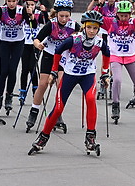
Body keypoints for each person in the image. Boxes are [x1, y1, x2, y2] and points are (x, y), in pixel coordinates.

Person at [28, 10, 110, 155]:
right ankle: (43, 137)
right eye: (89, 27)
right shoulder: (73, 39)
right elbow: (58, 51)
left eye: (95, 28)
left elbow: (107, 54)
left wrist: (104, 74)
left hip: (87, 75)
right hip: (70, 75)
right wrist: (54, 71)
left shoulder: (99, 41)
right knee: (59, 108)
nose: (92, 31)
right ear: (84, 26)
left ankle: (90, 138)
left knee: (91, 99)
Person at [25, 0, 81, 132]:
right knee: (43, 84)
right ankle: (34, 111)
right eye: (61, 16)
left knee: (61, 85)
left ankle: (58, 113)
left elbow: (82, 37)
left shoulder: (73, 25)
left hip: (63, 58)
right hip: (49, 55)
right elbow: (37, 39)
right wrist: (38, 44)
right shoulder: (51, 24)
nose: (63, 19)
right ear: (56, 14)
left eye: (67, 16)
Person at [101, 0, 135, 123]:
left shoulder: (134, 23)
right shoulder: (110, 22)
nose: (124, 18)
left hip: (130, 57)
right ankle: (115, 106)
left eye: (126, 15)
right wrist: (99, 6)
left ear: (130, 14)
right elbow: (95, 18)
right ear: (117, 14)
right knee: (117, 80)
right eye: (121, 15)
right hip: (115, 56)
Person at [87, 0, 120, 100]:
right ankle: (103, 82)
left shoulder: (118, 6)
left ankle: (111, 83)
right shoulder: (103, 6)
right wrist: (98, 4)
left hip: (115, 35)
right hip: (104, 34)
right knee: (105, 59)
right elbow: (90, 12)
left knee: (112, 60)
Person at [18, 0, 48, 105]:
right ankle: (22, 91)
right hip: (24, 43)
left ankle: (36, 91)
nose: (30, 7)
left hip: (35, 44)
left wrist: (44, 12)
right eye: (28, 4)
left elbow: (46, 23)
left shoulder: (38, 14)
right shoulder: (22, 13)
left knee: (33, 68)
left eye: (32, 4)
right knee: (25, 68)